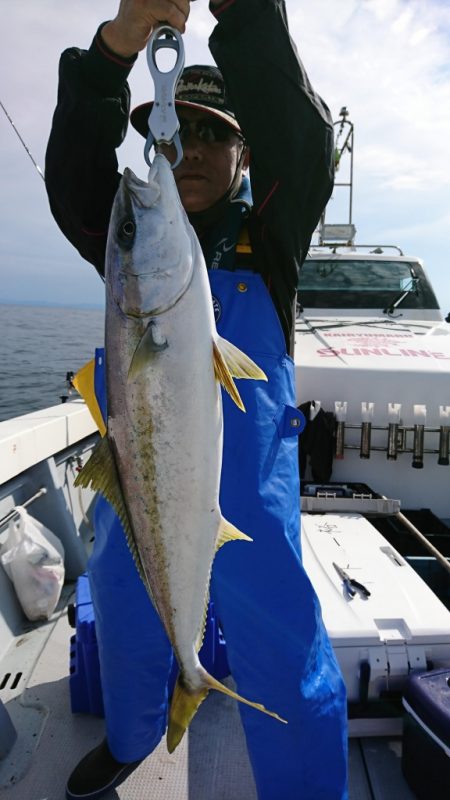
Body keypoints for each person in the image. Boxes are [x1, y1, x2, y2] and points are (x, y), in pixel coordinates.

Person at [45, 1, 348, 798]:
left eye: (219, 134)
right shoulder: (128, 231)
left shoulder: (274, 235)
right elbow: (74, 173)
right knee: (120, 596)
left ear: (247, 154)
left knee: (282, 640)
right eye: (182, 132)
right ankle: (135, 734)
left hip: (248, 503)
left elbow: (306, 140)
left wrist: (245, 12)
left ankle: (307, 788)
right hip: (138, 481)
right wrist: (114, 51)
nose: (197, 150)